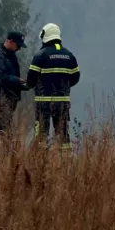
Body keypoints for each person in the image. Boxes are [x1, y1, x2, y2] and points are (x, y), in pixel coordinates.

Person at [26, 23, 80, 152]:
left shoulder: (40, 55)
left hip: (43, 103)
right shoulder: (69, 56)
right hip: (63, 103)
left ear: (45, 36)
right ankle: (66, 163)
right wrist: (64, 87)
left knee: (42, 135)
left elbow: (31, 80)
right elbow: (75, 77)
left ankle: (40, 161)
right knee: (63, 134)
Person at [0, 31, 29, 133]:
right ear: (11, 41)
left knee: (6, 132)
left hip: (7, 102)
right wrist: (17, 80)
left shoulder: (10, 57)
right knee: (0, 132)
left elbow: (9, 80)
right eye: (18, 45)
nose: (19, 48)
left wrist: (22, 85)